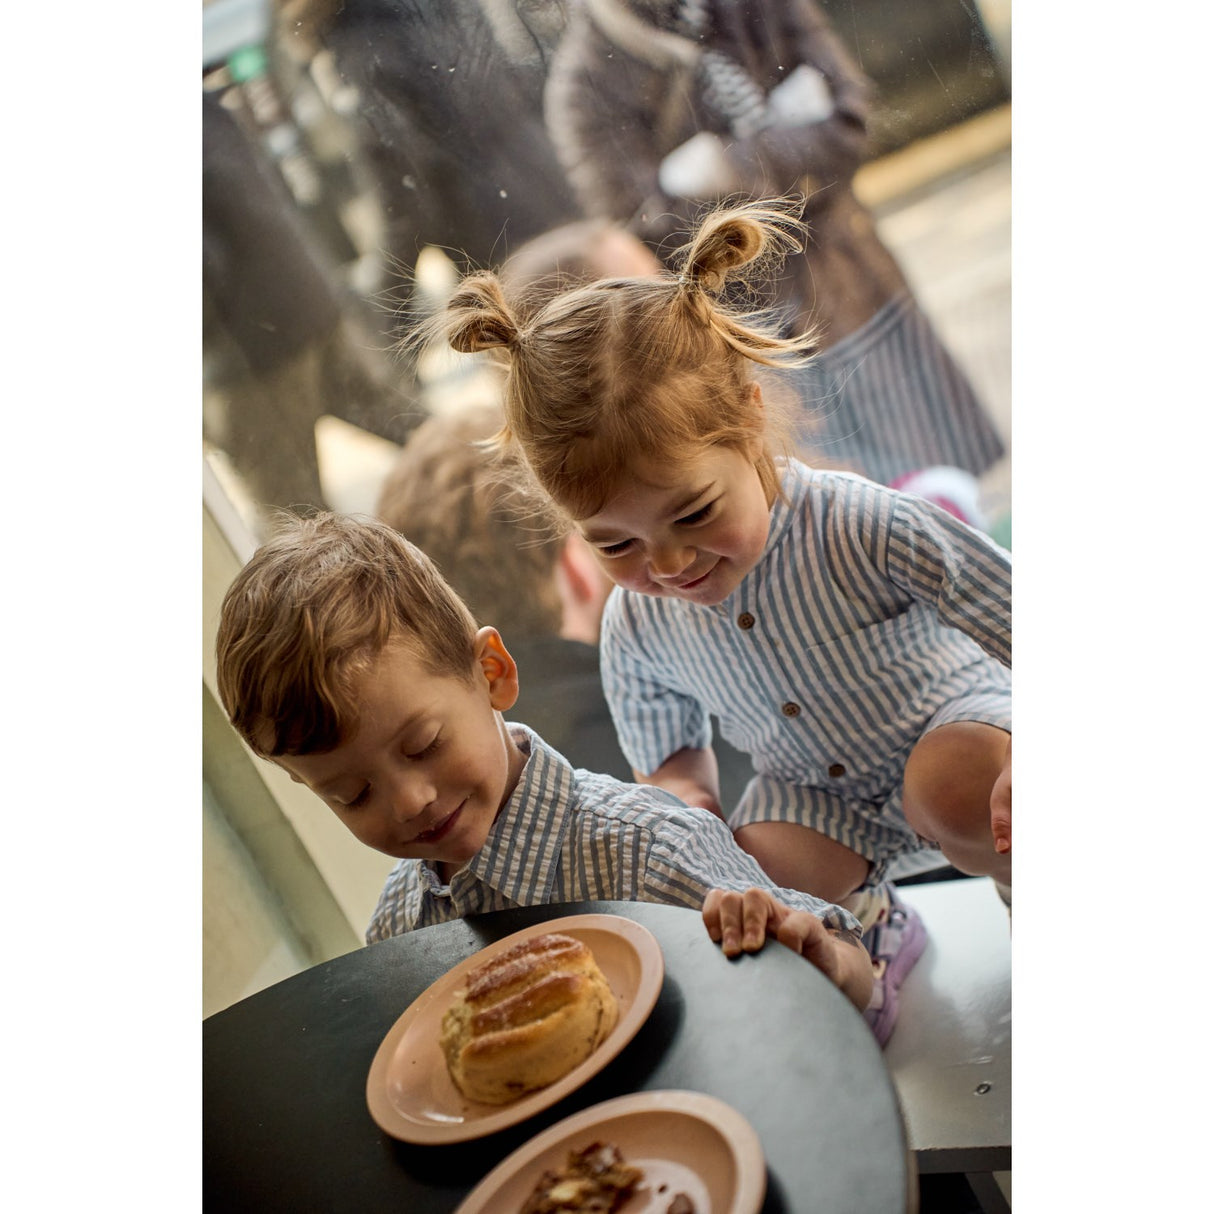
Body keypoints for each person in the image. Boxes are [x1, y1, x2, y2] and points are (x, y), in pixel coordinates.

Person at [427, 198, 1013, 1035]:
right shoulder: (637, 624)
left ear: (745, 418)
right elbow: (674, 771)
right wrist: (695, 824)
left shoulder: (856, 524)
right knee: (754, 870)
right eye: (616, 545)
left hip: (959, 735)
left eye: (695, 514)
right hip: (818, 795)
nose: (666, 566)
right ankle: (875, 937)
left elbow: (1010, 606)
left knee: (953, 788)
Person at [214, 512, 875, 1022]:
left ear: (492, 673)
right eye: (352, 794)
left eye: (423, 746)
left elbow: (848, 964)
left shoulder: (645, 849)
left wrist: (818, 958)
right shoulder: (397, 928)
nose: (410, 800)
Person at [542, 0, 1007, 487]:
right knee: (842, 508)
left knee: (951, 479)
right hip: (760, 338)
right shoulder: (582, 87)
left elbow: (850, 121)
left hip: (859, 287)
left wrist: (727, 165)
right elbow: (656, 237)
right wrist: (791, 138)